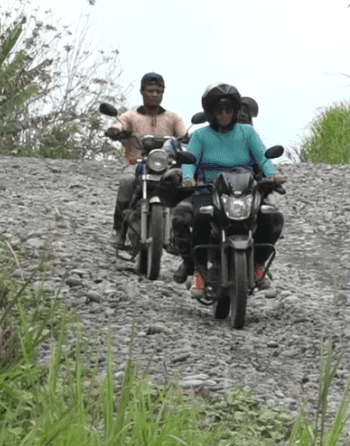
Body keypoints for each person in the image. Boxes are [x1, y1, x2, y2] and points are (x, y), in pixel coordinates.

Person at [171, 83, 285, 298]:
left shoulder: (247, 132)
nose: (224, 114)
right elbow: (189, 162)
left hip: (245, 190)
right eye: (219, 109)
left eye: (228, 109)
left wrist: (272, 175)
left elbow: (263, 159)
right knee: (198, 216)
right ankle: (199, 271)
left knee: (272, 217)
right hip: (209, 190)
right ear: (210, 112)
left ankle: (258, 265)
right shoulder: (200, 136)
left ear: (235, 110)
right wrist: (188, 178)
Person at [106, 72, 187, 248]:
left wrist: (189, 137)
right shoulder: (131, 116)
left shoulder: (173, 118)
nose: (154, 94)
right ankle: (119, 230)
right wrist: (115, 130)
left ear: (163, 93)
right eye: (150, 91)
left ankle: (179, 235)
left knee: (185, 183)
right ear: (142, 92)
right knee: (127, 181)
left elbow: (183, 134)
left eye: (158, 91)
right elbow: (120, 124)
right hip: (136, 164)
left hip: (166, 166)